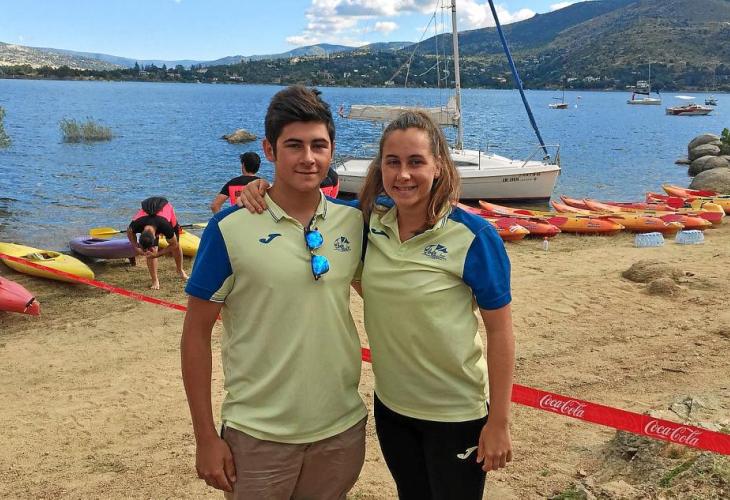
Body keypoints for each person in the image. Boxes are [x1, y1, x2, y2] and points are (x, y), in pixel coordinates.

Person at [240, 110, 515, 499]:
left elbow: (500, 331)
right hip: (392, 408)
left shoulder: (474, 236)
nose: (403, 175)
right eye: (393, 162)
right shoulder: (368, 222)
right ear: (380, 168)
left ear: (438, 165)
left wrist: (499, 421)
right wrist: (261, 190)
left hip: (455, 412)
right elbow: (310, 208)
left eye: (416, 162)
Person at [181, 85, 368, 499]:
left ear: (332, 151)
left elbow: (413, 207)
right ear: (269, 150)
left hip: (340, 428)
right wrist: (205, 437)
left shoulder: (354, 222)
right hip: (258, 434)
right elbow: (195, 333)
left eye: (318, 145)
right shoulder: (230, 228)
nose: (308, 158)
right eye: (294, 145)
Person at [126, 196, 188, 290]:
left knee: (176, 245)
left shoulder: (166, 226)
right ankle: (155, 280)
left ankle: (180, 270)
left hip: (166, 208)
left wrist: (157, 254)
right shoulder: (136, 225)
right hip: (148, 211)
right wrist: (136, 247)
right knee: (151, 251)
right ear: (141, 232)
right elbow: (130, 233)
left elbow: (174, 245)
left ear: (156, 236)